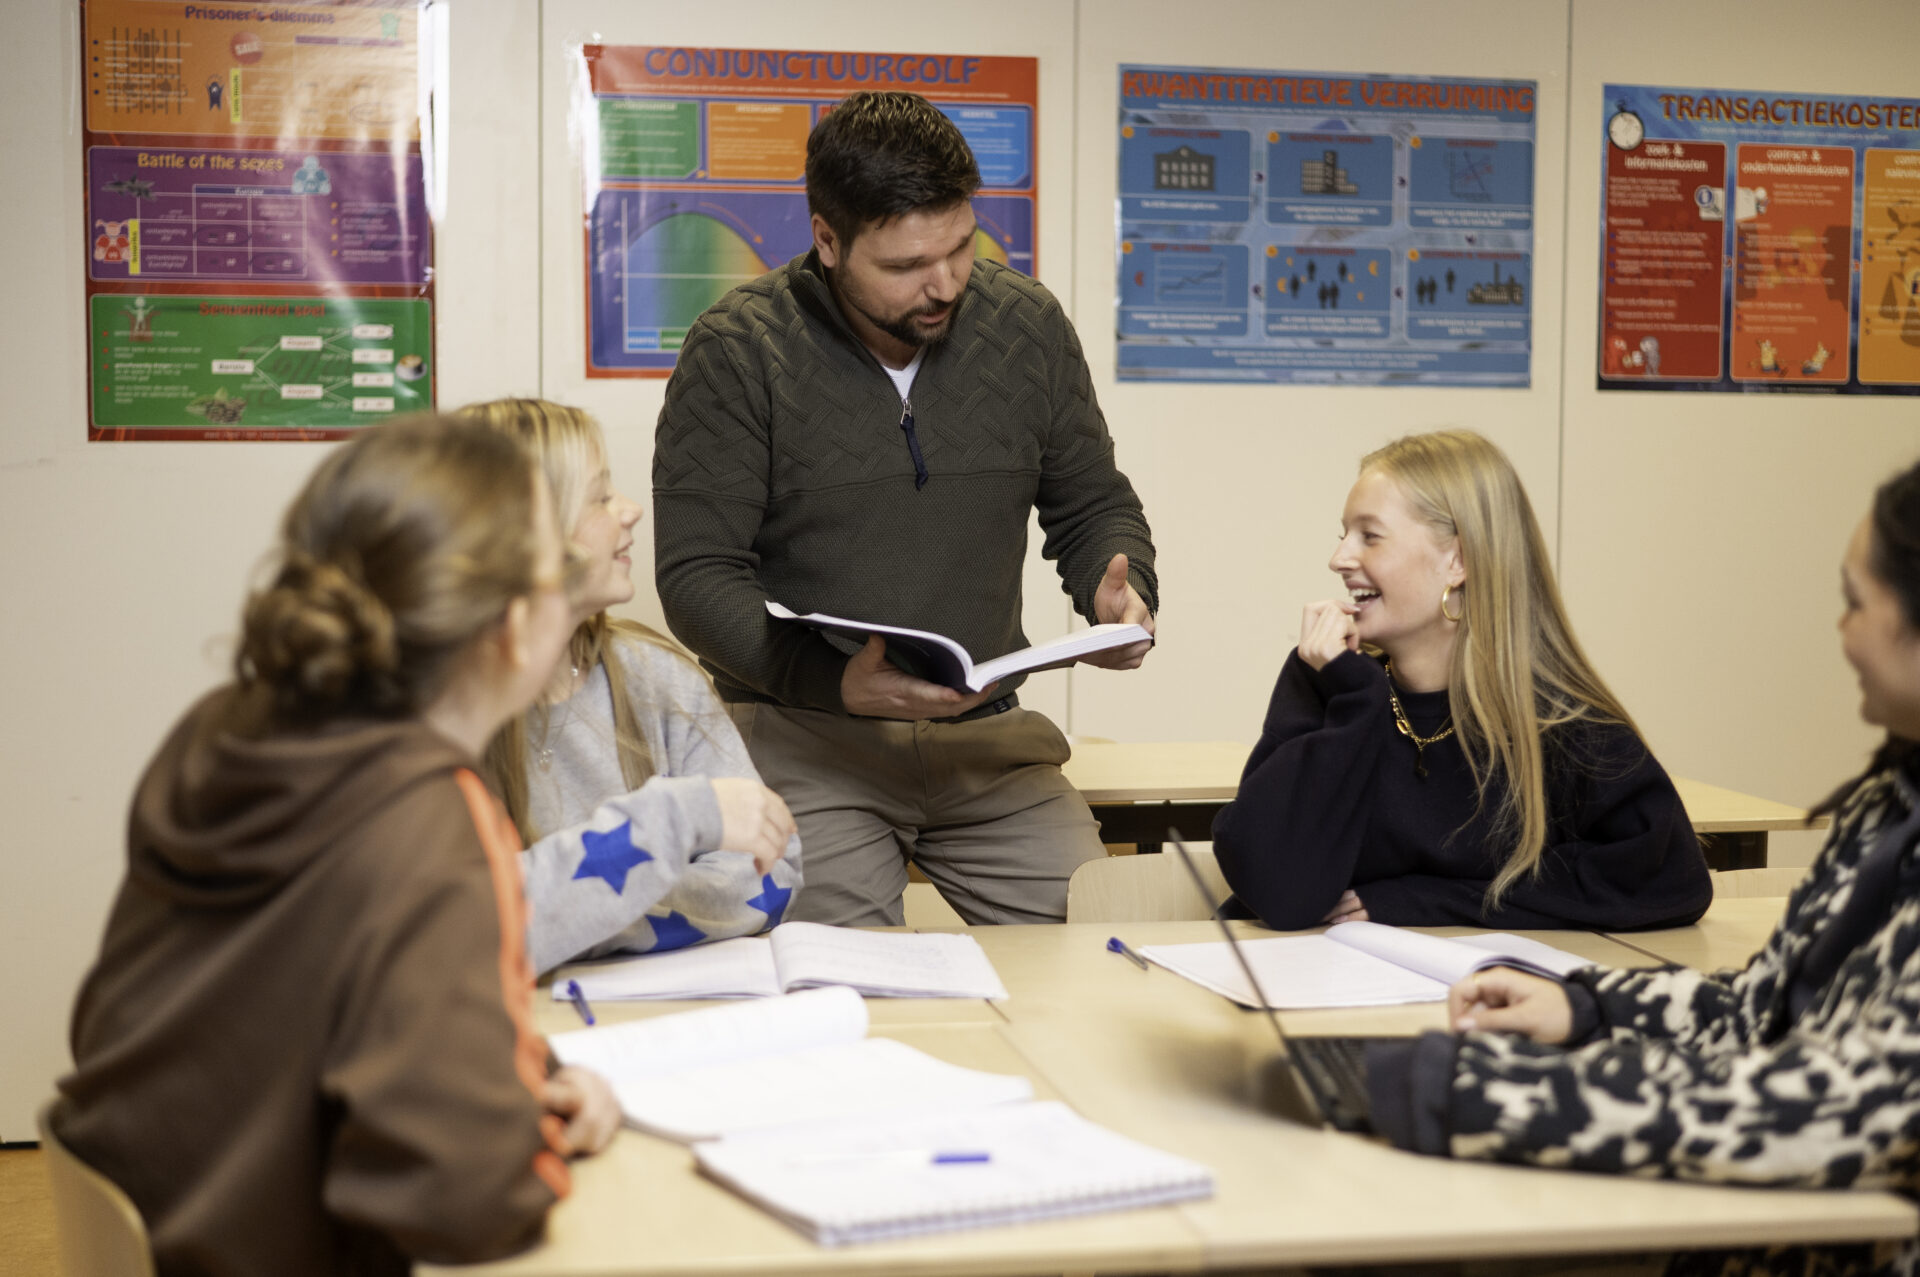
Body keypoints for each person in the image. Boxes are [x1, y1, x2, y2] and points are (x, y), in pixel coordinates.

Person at [52, 416, 621, 1276]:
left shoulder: (224, 728)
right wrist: (528, 1131)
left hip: (162, 1228)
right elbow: (462, 1201)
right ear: (512, 626)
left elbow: (290, 990)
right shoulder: (434, 821)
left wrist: (517, 1074)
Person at [1364, 454, 1920, 1277]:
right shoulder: (1891, 801)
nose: (1839, 632)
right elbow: (1756, 1011)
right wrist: (1583, 1007)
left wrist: (1484, 1094)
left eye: (1854, 603)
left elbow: (1845, 1113)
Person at [652, 90, 1158, 927]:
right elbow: (697, 574)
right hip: (808, 736)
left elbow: (1092, 502)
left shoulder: (1026, 327)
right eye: (903, 266)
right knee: (846, 989)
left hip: (987, 742)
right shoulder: (738, 350)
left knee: (1107, 945)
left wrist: (1119, 585)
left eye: (960, 247)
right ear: (827, 240)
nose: (945, 282)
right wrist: (830, 681)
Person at [1212, 429, 1709, 930]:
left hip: (1467, 998)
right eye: (1342, 535)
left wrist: (1424, 901)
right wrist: (1357, 700)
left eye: (1370, 535)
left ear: (1459, 561)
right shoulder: (1327, 679)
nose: (1338, 559)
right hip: (1299, 989)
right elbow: (1274, 890)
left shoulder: (1555, 717)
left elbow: (1670, 880)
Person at [462, 397, 800, 975]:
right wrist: (660, 858)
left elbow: (771, 871)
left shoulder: (655, 675)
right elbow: (469, 926)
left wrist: (582, 919)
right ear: (526, 533)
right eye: (598, 497)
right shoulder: (443, 707)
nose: (631, 511)